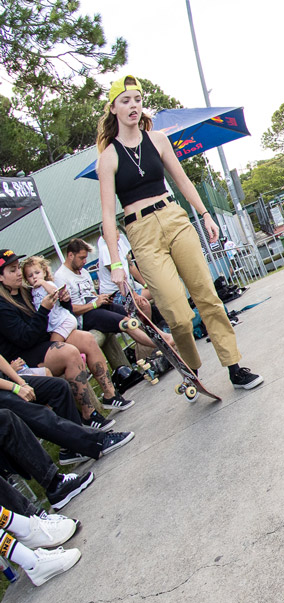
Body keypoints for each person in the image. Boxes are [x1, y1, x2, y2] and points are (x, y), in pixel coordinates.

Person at [93, 76, 263, 391]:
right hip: (141, 231)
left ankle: (234, 366)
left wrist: (205, 214)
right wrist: (117, 264)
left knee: (207, 296)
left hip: (174, 217)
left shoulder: (157, 140)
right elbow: (106, 214)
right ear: (113, 108)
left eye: (137, 99)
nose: (133, 105)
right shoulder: (108, 157)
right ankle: (192, 370)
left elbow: (183, 181)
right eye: (126, 100)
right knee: (177, 313)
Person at [0, 249, 124, 425]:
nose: (19, 273)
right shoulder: (3, 306)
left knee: (87, 339)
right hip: (24, 357)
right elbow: (25, 339)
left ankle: (110, 395)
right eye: (12, 270)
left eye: (18, 268)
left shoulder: (26, 291)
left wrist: (64, 300)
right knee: (70, 353)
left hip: (43, 341)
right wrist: (44, 309)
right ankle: (89, 414)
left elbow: (59, 315)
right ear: (1, 278)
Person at [0, 352, 134, 465]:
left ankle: (74, 448)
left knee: (58, 387)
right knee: (37, 413)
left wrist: (21, 382)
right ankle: (95, 442)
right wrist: (16, 388)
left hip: (6, 381)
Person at [50, 241, 162, 353]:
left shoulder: (83, 272)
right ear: (70, 255)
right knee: (126, 323)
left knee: (134, 311)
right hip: (83, 317)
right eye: (81, 258)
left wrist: (103, 298)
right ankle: (160, 344)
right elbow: (69, 310)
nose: (84, 261)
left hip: (97, 307)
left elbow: (92, 294)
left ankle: (158, 339)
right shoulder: (60, 276)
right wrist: (94, 304)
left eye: (85, 258)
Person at [95, 227, 158, 321]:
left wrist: (145, 284)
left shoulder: (120, 243)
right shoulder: (105, 250)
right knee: (147, 300)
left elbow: (131, 266)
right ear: (104, 237)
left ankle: (161, 324)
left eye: (116, 229)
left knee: (156, 289)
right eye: (111, 232)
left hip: (127, 289)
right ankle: (149, 331)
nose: (116, 233)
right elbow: (119, 279)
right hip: (114, 295)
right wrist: (134, 295)